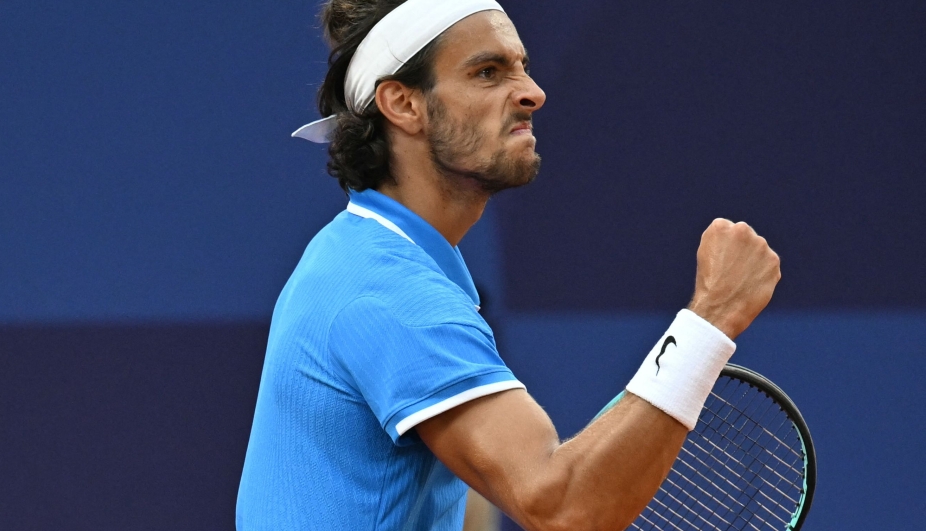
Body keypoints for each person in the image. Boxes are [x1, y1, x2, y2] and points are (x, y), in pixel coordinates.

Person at [235, 0, 781, 530]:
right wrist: (712, 315)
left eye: (522, 67)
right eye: (488, 72)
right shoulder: (389, 294)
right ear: (403, 105)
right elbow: (565, 507)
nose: (533, 93)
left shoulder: (358, 258)